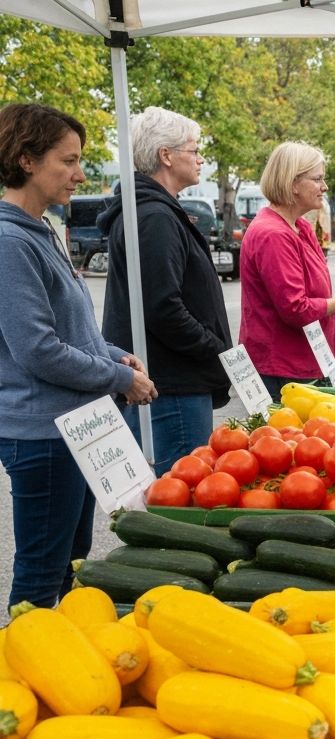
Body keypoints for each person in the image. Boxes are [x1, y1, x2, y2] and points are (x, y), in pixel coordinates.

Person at [0, 103, 156, 610]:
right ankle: (21, 676)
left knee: (71, 558)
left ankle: (56, 665)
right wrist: (116, 377)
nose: (79, 174)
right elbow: (37, 350)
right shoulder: (8, 241)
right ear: (26, 160)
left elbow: (68, 330)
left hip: (75, 427)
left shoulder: (40, 229)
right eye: (68, 161)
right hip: (43, 435)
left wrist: (115, 355)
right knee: (42, 573)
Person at [99, 106, 233, 477]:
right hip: (171, 388)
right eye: (194, 150)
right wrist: (215, 348)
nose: (200, 158)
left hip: (172, 383)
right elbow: (163, 307)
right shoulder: (153, 217)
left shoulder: (155, 211)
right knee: (179, 499)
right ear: (166, 155)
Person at [240, 142, 335, 403]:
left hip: (304, 361)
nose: (325, 187)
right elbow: (295, 309)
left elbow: (312, 298)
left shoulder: (301, 228)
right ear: (293, 183)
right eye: (318, 179)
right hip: (283, 369)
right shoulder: (273, 234)